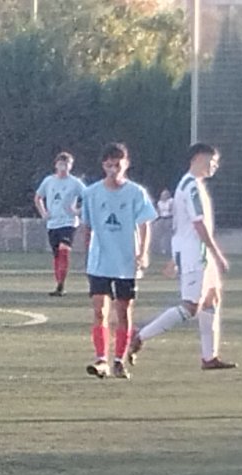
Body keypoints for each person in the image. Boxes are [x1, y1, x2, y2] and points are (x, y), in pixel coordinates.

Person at [129, 144, 236, 371]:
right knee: (190, 307)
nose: (215, 165)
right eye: (212, 160)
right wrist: (217, 253)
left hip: (194, 252)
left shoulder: (193, 185)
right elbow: (197, 224)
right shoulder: (191, 187)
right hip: (196, 254)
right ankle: (140, 336)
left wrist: (176, 257)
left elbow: (182, 225)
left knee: (212, 299)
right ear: (198, 157)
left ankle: (209, 357)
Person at [79, 142, 157, 379]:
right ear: (104, 166)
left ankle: (119, 360)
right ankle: (101, 358)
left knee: (123, 310)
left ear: (126, 164)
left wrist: (142, 253)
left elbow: (145, 224)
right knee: (99, 310)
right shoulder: (91, 193)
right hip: (100, 261)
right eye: (109, 164)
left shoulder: (136, 193)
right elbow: (88, 226)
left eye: (118, 164)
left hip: (125, 261)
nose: (114, 168)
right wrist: (88, 253)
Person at [34, 152, 87, 296]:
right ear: (56, 165)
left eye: (67, 164)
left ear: (71, 166)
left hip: (68, 223)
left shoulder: (75, 182)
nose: (64, 167)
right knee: (57, 254)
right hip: (53, 223)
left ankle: (61, 286)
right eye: (61, 164)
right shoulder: (49, 181)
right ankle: (59, 282)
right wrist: (44, 213)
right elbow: (38, 197)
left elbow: (89, 197)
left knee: (64, 250)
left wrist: (77, 211)